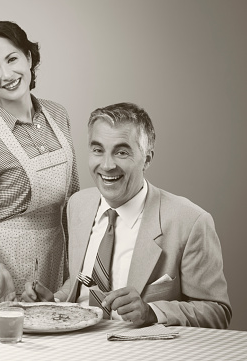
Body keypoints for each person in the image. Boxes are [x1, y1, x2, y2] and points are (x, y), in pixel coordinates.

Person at [22, 102, 232, 329]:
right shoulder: (77, 205)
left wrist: (151, 312)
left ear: (147, 159)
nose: (107, 165)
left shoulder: (190, 221)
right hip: (76, 345)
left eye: (121, 152)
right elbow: (81, 283)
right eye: (98, 150)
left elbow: (217, 312)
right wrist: (54, 303)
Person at [0, 21, 80, 309]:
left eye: (12, 59)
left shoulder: (58, 115)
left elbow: (72, 201)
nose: (7, 74)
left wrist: (76, 271)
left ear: (30, 57)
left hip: (51, 275)